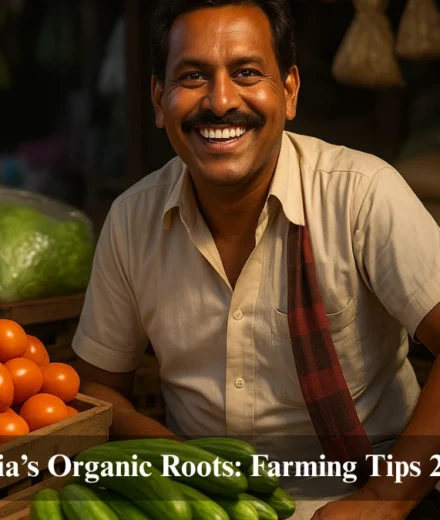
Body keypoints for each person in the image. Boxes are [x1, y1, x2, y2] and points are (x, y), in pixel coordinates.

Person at [72, 1, 440, 518]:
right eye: (193, 76)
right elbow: (95, 387)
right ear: (159, 101)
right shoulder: (132, 221)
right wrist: (174, 461)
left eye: (246, 72)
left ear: (288, 91)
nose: (221, 101)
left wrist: (387, 499)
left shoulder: (362, 194)